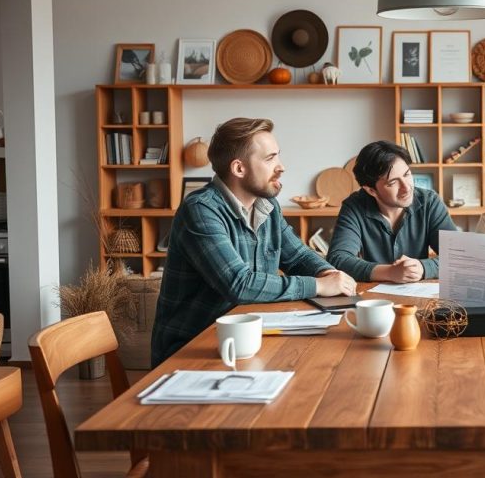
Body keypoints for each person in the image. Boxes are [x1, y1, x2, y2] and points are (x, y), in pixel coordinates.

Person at [151, 118, 356, 366]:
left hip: (250, 339)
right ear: (239, 168)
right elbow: (239, 284)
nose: (281, 167)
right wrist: (319, 285)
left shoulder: (268, 206)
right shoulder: (200, 209)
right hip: (194, 350)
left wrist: (329, 273)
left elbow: (299, 256)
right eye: (270, 159)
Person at [327, 140, 457, 282]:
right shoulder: (355, 206)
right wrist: (389, 272)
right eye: (393, 182)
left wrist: (424, 268)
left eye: (407, 175)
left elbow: (460, 256)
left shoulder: (429, 202)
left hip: (419, 296)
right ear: (371, 190)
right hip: (372, 299)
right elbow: (338, 259)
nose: (406, 188)